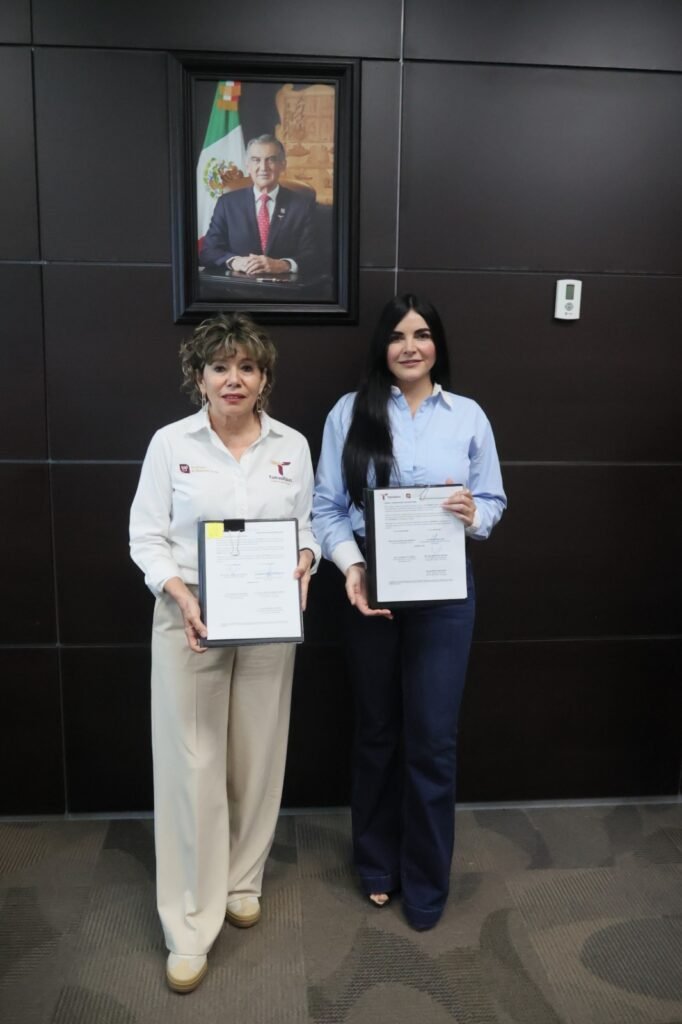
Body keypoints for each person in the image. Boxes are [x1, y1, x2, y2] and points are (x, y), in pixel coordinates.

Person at [129, 312, 319, 993]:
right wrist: (179, 593)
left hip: (267, 615)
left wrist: (306, 559)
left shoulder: (292, 445)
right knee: (193, 764)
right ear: (199, 376)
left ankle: (242, 880)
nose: (233, 378)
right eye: (220, 367)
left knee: (257, 755)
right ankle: (189, 922)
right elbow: (146, 536)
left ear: (264, 378)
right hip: (191, 616)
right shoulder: (170, 444)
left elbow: (306, 526)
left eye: (247, 367)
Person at [312, 294, 506, 930]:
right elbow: (326, 507)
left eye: (421, 334)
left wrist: (474, 514)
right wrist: (352, 567)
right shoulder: (350, 412)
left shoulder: (467, 416)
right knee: (376, 731)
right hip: (371, 584)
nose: (410, 346)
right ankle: (376, 864)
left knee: (433, 740)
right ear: (382, 346)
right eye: (397, 336)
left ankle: (426, 880)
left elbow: (493, 500)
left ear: (437, 344)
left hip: (446, 591)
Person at [199, 134, 317, 278]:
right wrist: (235, 261)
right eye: (256, 160)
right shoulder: (227, 204)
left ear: (283, 165)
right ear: (248, 166)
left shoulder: (302, 205)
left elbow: (313, 255)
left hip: (283, 287)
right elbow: (209, 252)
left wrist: (283, 265)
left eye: (271, 160)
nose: (263, 167)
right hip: (238, 286)